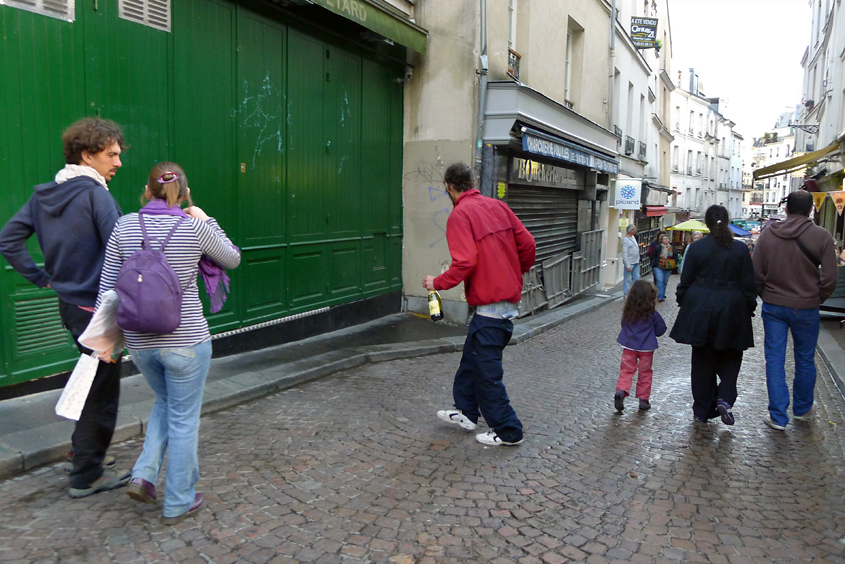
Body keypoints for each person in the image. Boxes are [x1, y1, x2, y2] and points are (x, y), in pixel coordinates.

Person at [97, 162, 240, 524]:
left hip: (141, 345)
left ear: (146, 192)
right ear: (185, 194)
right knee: (183, 418)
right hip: (187, 341)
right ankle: (178, 499)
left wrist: (106, 342)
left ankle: (144, 474)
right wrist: (207, 220)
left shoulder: (124, 225)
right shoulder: (194, 227)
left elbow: (109, 288)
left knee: (166, 403)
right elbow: (232, 258)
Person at [0, 117, 130, 498]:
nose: (118, 162)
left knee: (91, 381)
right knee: (101, 392)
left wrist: (42, 278)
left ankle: (83, 453)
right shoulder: (97, 195)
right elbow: (122, 251)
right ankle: (86, 475)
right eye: (111, 154)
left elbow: (9, 240)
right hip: (99, 310)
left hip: (70, 306)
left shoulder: (44, 195)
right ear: (88, 155)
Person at [423, 163, 535, 447]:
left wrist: (436, 283)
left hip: (490, 309)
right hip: (503, 304)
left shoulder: (459, 214)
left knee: (486, 374)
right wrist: (510, 273)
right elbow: (528, 244)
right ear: (473, 181)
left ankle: (509, 431)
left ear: (449, 187)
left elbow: (466, 262)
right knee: (471, 362)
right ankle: (467, 413)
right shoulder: (498, 206)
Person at [753, 190, 836, 431]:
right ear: (811, 209)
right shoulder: (822, 236)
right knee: (805, 358)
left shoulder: (768, 234)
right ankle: (802, 409)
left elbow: (755, 273)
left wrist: (765, 294)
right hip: (807, 307)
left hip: (774, 306)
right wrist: (815, 296)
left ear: (786, 209)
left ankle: (778, 416)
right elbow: (830, 277)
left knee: (775, 360)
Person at [670, 205, 757, 426]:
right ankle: (725, 397)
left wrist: (685, 302)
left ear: (707, 224)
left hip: (701, 309)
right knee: (731, 356)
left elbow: (685, 281)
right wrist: (749, 306)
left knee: (702, 360)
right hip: (732, 308)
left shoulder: (698, 248)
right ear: (727, 221)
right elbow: (749, 283)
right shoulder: (739, 250)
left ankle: (702, 409)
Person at [614, 279, 666, 412]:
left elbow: (623, 326)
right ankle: (643, 399)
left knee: (626, 371)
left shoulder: (628, 311)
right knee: (645, 373)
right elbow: (661, 330)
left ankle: (621, 390)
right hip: (647, 348)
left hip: (629, 346)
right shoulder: (652, 313)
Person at [647, 233, 678, 302]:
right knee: (660, 280)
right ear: (661, 240)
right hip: (658, 267)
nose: (667, 240)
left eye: (667, 238)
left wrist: (674, 263)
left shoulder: (672, 247)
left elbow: (675, 256)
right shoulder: (658, 247)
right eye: (665, 239)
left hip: (668, 267)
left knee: (664, 282)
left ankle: (662, 295)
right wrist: (654, 263)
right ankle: (660, 296)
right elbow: (653, 255)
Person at [621, 224, 640, 297]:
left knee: (636, 278)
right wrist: (627, 265)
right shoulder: (625, 240)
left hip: (636, 261)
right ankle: (626, 293)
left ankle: (635, 293)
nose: (635, 230)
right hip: (630, 262)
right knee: (627, 279)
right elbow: (624, 253)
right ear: (631, 230)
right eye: (634, 229)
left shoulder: (633, 237)